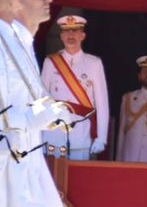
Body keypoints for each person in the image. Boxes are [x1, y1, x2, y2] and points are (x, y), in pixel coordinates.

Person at [41, 14, 109, 160]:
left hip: (80, 134)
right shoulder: (50, 62)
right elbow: (42, 100)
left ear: (82, 35)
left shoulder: (94, 63)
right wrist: (38, 134)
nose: (70, 35)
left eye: (75, 30)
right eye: (66, 31)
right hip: (54, 134)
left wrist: (101, 137)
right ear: (61, 36)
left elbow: (102, 104)